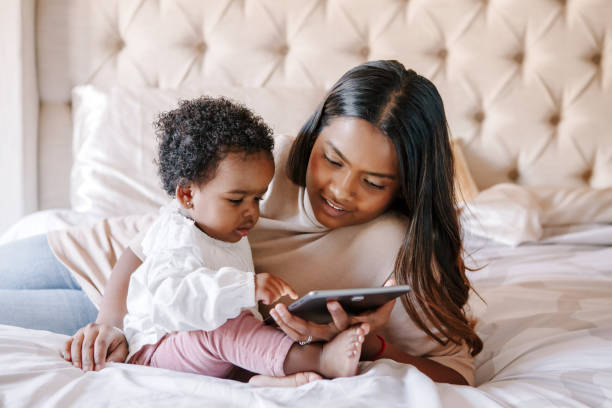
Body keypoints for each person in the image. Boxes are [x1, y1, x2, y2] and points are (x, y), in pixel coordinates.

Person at [0, 60, 482, 386]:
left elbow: (456, 374)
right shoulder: (269, 163)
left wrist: (374, 345)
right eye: (331, 160)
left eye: (374, 182)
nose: (340, 190)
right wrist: (109, 323)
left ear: (406, 185)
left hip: (164, 326)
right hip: (110, 269)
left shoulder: (401, 250)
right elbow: (146, 245)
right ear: (315, 136)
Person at [121, 96, 369, 382]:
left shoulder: (226, 230)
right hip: (157, 352)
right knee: (225, 329)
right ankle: (320, 360)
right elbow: (171, 301)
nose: (252, 212)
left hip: (209, 354)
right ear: (187, 195)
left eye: (258, 198)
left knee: (254, 328)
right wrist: (245, 287)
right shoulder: (177, 236)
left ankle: (261, 380)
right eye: (236, 199)